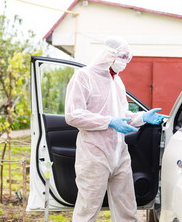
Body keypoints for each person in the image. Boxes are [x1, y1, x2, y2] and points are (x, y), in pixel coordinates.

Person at [65, 36, 168, 222]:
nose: (124, 62)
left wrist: (142, 117)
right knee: (87, 210)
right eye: (122, 56)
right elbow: (73, 115)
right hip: (94, 153)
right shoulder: (84, 76)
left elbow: (122, 114)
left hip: (119, 153)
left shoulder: (117, 81)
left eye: (127, 58)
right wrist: (109, 121)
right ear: (108, 55)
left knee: (127, 208)